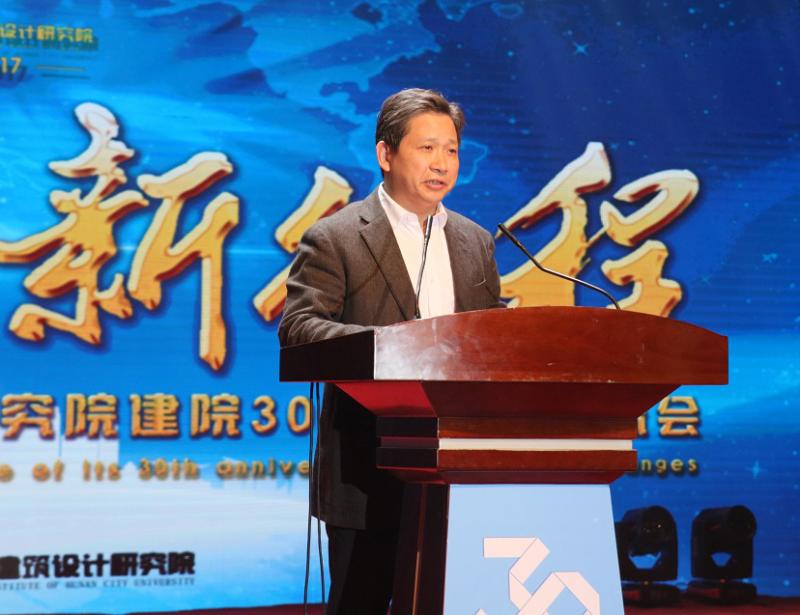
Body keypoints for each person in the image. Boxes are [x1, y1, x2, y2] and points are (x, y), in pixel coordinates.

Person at [278, 88, 505, 614]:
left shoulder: (475, 242)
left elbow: (489, 336)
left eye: (451, 150)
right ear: (385, 154)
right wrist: (390, 346)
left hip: (459, 470)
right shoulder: (336, 237)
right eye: (427, 148)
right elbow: (299, 327)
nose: (442, 164)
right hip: (367, 466)